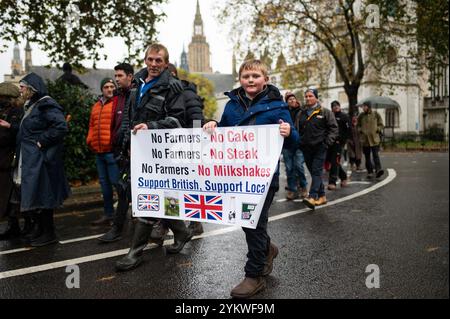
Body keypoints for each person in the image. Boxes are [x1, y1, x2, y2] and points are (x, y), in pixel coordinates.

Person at [203, 59, 299, 299]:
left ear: (265, 79)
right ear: (240, 80)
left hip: (264, 178)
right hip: (237, 175)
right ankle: (267, 249)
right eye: (246, 76)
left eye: (255, 76)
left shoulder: (277, 106)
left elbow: (295, 139)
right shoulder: (232, 105)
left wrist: (289, 132)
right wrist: (213, 124)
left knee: (253, 222)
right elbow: (224, 132)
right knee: (247, 221)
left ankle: (254, 275)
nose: (251, 80)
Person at [115, 43, 194, 272]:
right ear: (145, 60)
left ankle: (135, 252)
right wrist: (127, 144)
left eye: (159, 60)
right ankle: (182, 232)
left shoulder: (172, 87)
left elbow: (178, 121)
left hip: (163, 153)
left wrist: (151, 126)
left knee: (149, 198)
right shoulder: (136, 84)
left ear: (166, 64)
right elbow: (130, 117)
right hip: (140, 152)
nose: (154, 64)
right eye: (150, 59)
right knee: (160, 197)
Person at [14, 73, 70, 247]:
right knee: (36, 194)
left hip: (42, 160)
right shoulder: (33, 104)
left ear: (31, 88)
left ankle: (49, 233)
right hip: (32, 159)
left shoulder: (46, 104)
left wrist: (41, 141)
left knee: (44, 195)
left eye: (23, 86)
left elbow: (61, 126)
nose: (20, 90)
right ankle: (40, 231)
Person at [98, 63, 135, 243]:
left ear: (130, 76)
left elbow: (133, 121)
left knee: (125, 190)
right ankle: (120, 228)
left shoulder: (136, 94)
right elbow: (116, 122)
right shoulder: (118, 96)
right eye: (116, 75)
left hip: (134, 150)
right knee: (123, 190)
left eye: (120, 76)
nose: (116, 79)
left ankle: (119, 229)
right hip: (121, 150)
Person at [297, 88, 338, 210]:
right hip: (306, 148)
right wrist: (299, 142)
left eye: (310, 96)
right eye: (306, 96)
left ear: (316, 97)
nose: (308, 98)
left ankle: (312, 196)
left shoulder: (325, 112)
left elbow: (334, 128)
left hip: (320, 147)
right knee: (314, 172)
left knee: (316, 171)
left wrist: (327, 143)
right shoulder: (301, 113)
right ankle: (322, 196)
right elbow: (297, 128)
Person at [86, 78, 120, 226]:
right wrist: (90, 141)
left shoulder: (118, 104)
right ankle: (108, 214)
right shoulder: (96, 106)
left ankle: (123, 215)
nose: (110, 89)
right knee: (104, 186)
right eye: (106, 87)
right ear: (102, 89)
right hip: (99, 152)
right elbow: (92, 126)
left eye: (112, 86)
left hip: (111, 152)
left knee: (117, 184)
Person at [0, 83, 24, 240]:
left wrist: (9, 127)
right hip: (4, 159)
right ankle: (12, 226)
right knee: (7, 196)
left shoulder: (17, 112)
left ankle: (15, 226)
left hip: (10, 159)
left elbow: (15, 134)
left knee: (12, 196)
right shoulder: (7, 111)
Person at [283, 91, 308, 200]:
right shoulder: (284, 112)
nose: (292, 100)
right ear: (286, 102)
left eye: (293, 98)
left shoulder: (302, 111)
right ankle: (292, 190)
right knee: (289, 168)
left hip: (299, 144)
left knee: (299, 166)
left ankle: (303, 187)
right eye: (289, 99)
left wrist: (303, 139)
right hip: (287, 145)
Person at [327, 100, 351, 190]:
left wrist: (342, 141)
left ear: (340, 106)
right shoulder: (330, 116)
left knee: (335, 161)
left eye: (337, 105)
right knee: (331, 160)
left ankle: (332, 182)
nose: (336, 107)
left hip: (339, 143)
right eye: (334, 106)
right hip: (330, 142)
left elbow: (349, 130)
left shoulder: (344, 117)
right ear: (332, 108)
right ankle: (343, 176)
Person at [357, 101, 384, 179]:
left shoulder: (375, 114)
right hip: (365, 140)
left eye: (364, 106)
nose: (363, 108)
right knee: (367, 157)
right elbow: (358, 125)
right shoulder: (361, 115)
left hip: (374, 139)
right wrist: (360, 130)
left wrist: (377, 129)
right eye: (362, 107)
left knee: (376, 155)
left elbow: (381, 124)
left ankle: (378, 170)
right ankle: (370, 172)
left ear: (368, 106)